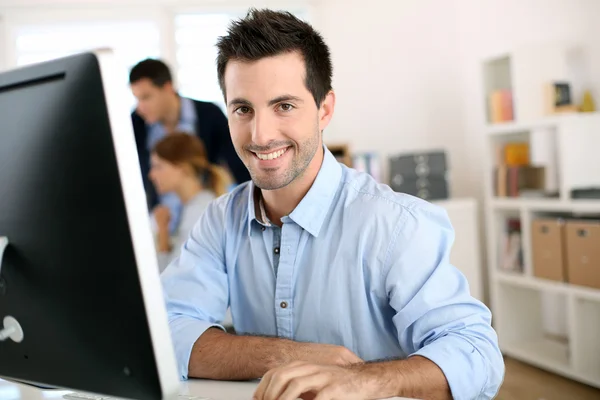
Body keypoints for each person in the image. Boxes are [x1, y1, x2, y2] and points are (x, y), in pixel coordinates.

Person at [161, 8, 504, 400]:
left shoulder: (394, 223)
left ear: (324, 109)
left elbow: (477, 355)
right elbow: (167, 330)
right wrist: (288, 357)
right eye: (243, 109)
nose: (260, 134)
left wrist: (361, 379)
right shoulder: (221, 220)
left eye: (284, 106)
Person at [129, 58, 250, 231]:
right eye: (136, 99)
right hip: (164, 222)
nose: (140, 107)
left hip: (203, 217)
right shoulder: (136, 124)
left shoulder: (209, 114)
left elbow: (239, 166)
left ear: (168, 88)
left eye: (146, 97)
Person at [149, 133, 230, 272]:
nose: (151, 174)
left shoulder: (200, 211)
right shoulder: (195, 206)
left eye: (159, 166)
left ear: (182, 168)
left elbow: (174, 276)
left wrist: (163, 234)